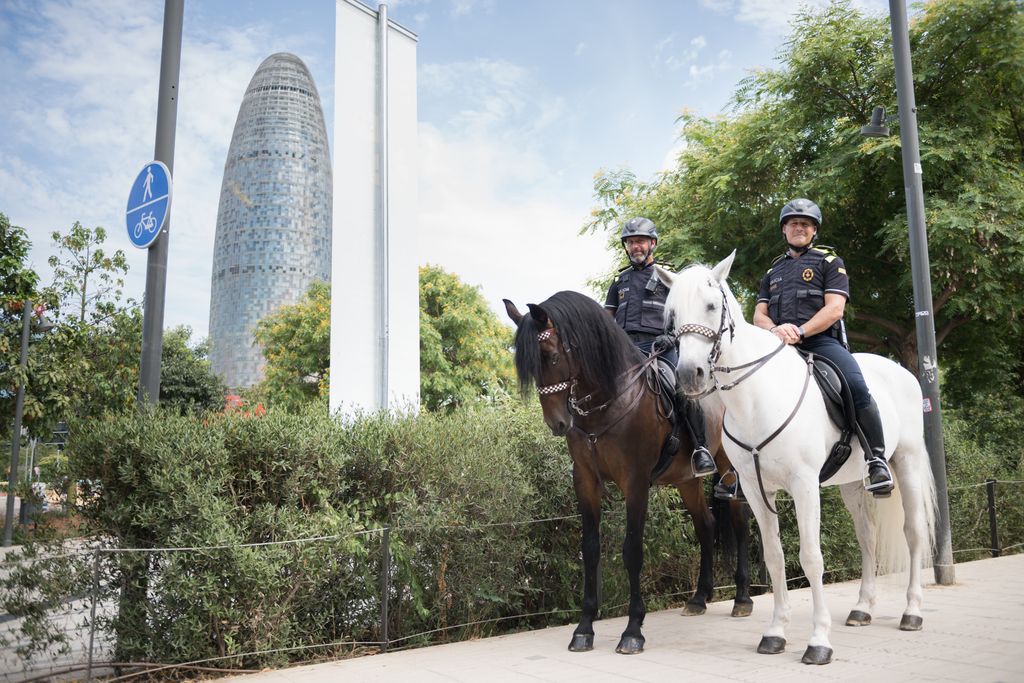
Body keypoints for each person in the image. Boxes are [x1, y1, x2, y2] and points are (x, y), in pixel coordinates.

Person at [750, 198, 894, 497]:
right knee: (743, 388)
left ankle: (876, 460)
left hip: (820, 342)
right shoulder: (772, 273)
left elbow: (835, 309)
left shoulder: (830, 263)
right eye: (793, 223)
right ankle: (742, 468)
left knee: (855, 385)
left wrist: (800, 331)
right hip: (779, 347)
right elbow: (758, 316)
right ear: (784, 230)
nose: (799, 228)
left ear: (814, 231)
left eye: (805, 224)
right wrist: (776, 330)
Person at [604, 217, 717, 478]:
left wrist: (673, 338)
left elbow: (686, 314)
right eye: (631, 242)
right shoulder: (618, 281)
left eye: (640, 241)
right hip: (625, 350)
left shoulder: (669, 277)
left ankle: (700, 448)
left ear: (652, 243)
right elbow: (605, 320)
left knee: (682, 388)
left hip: (661, 347)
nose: (636, 247)